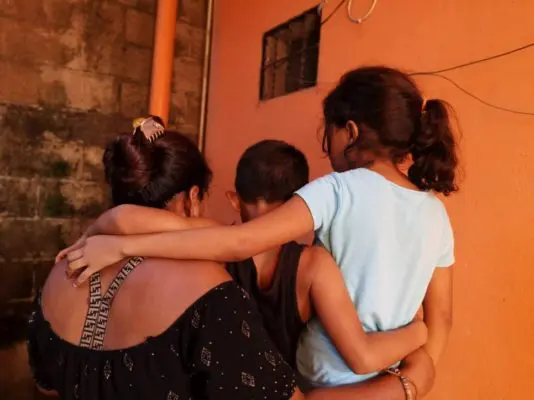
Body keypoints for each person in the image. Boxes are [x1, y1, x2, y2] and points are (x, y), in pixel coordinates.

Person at [66, 66, 456, 389]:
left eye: (329, 132)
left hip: (318, 377)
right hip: (387, 377)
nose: (326, 144)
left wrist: (120, 246)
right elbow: (441, 321)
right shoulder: (436, 214)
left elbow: (238, 241)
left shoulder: (339, 190)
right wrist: (413, 378)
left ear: (350, 132)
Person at [59, 140, 427, 380]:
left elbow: (126, 217)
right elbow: (361, 356)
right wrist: (419, 335)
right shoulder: (315, 267)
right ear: (300, 204)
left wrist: (102, 238)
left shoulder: (209, 246)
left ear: (235, 199)